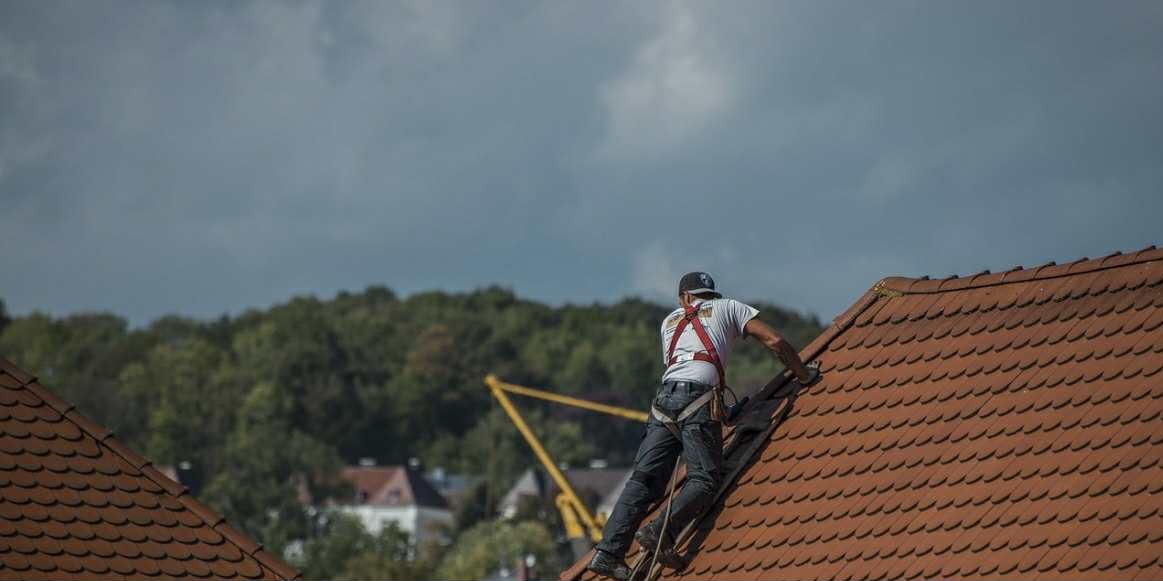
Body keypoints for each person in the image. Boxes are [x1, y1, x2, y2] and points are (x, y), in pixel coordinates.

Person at [587, 272, 820, 580]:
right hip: (698, 399)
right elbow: (774, 341)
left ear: (685, 297)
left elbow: (685, 366)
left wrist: (721, 412)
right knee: (704, 479)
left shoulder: (669, 321)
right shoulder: (729, 307)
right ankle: (659, 531)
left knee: (643, 480)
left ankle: (607, 553)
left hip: (663, 402)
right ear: (710, 295)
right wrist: (804, 374)